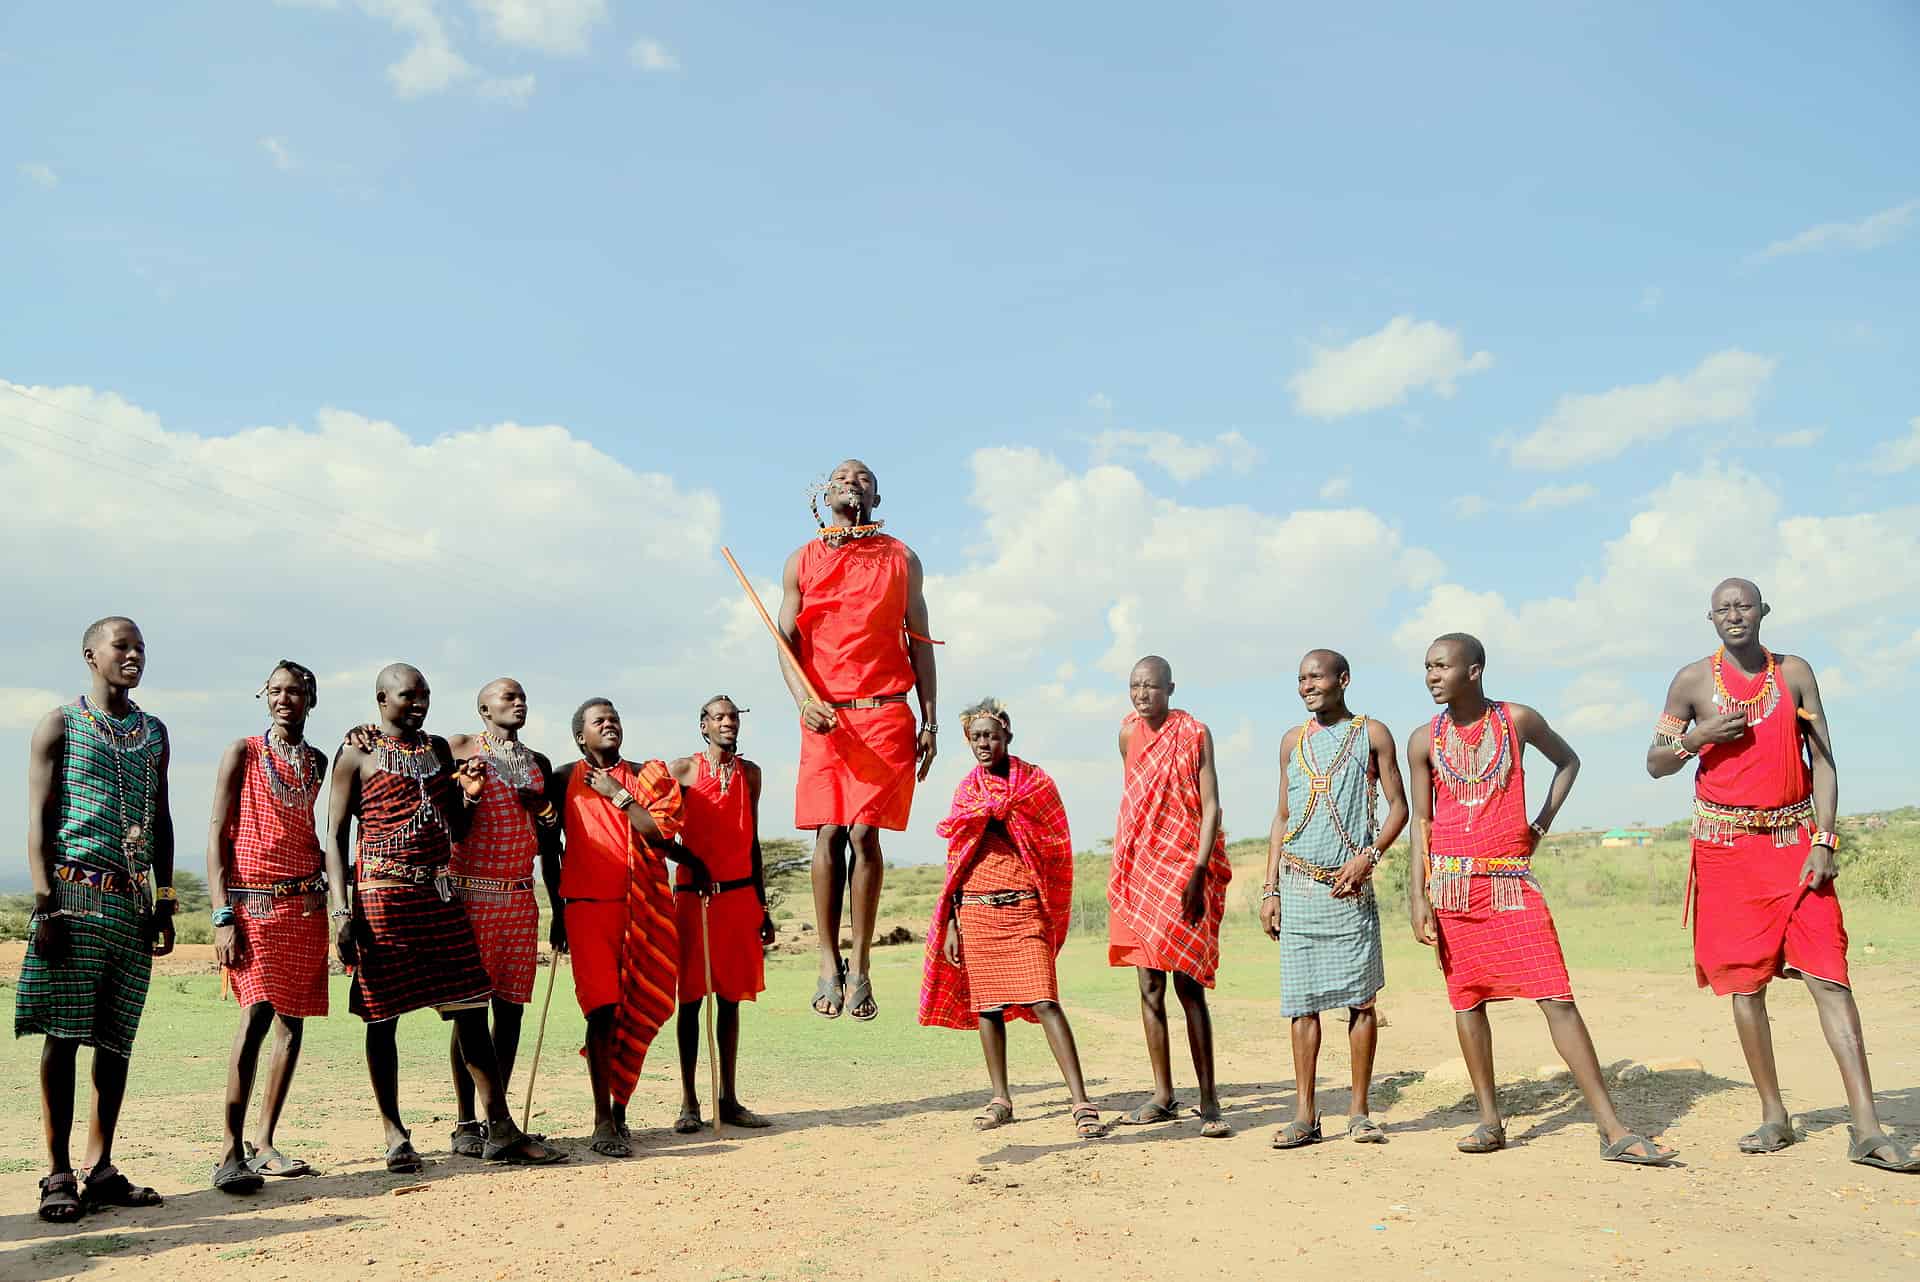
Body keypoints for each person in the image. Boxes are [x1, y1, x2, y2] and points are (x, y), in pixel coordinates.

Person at [1647, 578, 1917, 1172]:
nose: (1734, 615)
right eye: (1723, 609)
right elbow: (1656, 763)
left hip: (1796, 845)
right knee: (1746, 985)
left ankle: (1867, 1127)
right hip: (1725, 851)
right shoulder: (1691, 682)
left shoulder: (1794, 672)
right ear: (1710, 618)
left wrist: (1824, 839)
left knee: (1830, 976)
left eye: (1744, 605)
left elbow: (1823, 759)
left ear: (1763, 611)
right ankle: (1774, 1114)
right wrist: (1697, 738)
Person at [1407, 634, 1673, 1165]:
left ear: (1475, 670)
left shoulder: (1518, 720)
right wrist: (1418, 894)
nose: (1432, 676)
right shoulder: (1423, 740)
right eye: (1427, 667)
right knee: (1468, 1001)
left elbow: (1568, 761)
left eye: (1442, 666)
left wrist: (1540, 826)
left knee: (1556, 996)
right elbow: (1423, 821)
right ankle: (1489, 1120)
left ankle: (1611, 1127)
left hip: (1510, 884)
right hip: (1453, 888)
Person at [324, 664, 563, 1171]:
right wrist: (340, 911)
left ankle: (498, 1127)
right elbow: (336, 834)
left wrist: (470, 794)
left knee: (471, 1006)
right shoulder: (356, 752)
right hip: (380, 896)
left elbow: (456, 825)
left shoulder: (436, 750)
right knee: (381, 1015)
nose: (418, 703)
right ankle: (394, 1133)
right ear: (381, 699)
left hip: (438, 891)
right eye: (407, 695)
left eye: (425, 695)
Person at [17, 617, 176, 1224]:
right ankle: (57, 1172)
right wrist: (44, 902)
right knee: (63, 1034)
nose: (134, 655)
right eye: (122, 646)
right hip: (72, 898)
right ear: (91, 654)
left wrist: (162, 901)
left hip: (133, 906)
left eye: (141, 646)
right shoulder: (59, 723)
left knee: (115, 1042)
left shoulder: (154, 732)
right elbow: (38, 819)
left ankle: (100, 1167)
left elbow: (160, 821)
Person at [775, 458, 938, 1022]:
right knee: (829, 834)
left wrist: (931, 720)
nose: (853, 481)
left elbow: (919, 641)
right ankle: (827, 961)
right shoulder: (802, 559)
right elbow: (784, 642)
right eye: (843, 475)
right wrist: (804, 701)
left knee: (864, 834)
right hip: (825, 718)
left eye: (865, 477)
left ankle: (861, 964)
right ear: (825, 492)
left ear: (875, 494)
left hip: (886, 713)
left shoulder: (901, 557)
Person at [920, 699, 1102, 1139]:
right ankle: (1001, 1098)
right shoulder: (967, 792)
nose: (985, 743)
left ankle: (1081, 1101)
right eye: (977, 737)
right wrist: (951, 923)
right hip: (976, 911)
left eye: (992, 735)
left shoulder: (1036, 784)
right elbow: (955, 863)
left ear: (1008, 738)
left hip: (1023, 907)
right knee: (988, 1007)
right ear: (969, 740)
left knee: (1045, 999)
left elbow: (1054, 845)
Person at [1260, 650, 1408, 1149]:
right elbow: (1281, 817)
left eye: (1316, 677)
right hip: (1298, 886)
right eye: (1300, 678)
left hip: (1351, 888)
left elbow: (1399, 809)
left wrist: (1369, 857)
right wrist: (1270, 889)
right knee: (1302, 1007)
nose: (1307, 685)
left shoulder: (1373, 734)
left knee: (1361, 1002)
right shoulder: (1291, 741)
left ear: (1343, 680)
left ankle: (1359, 1112)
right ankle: (1305, 1114)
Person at [205, 660, 331, 1194]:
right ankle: (229, 1151)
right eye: (276, 691)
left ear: (311, 699)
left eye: (295, 691)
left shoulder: (319, 761)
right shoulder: (244, 752)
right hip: (251, 907)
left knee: (291, 1022)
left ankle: (265, 1143)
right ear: (265, 697)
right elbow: (216, 835)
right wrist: (220, 915)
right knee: (255, 1015)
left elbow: (310, 831)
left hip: (304, 905)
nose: (285, 699)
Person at [547, 697, 689, 1157]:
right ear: (579, 736)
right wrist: (555, 907)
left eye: (614, 719)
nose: (609, 725)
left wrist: (618, 795)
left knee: (634, 1009)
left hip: (643, 907)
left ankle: (622, 1110)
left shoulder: (648, 775)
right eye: (598, 721)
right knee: (602, 1011)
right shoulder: (564, 777)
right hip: (587, 908)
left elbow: (660, 835)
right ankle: (603, 1119)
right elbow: (548, 844)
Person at [1108, 655, 1233, 1138]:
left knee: (1189, 988)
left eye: (1151, 687)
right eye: (1135, 686)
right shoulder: (1126, 734)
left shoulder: (1195, 733)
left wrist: (1199, 870)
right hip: (1141, 873)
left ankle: (1209, 1100)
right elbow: (1137, 801)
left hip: (1184, 868)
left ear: (1171, 688)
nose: (1142, 695)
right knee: (1149, 988)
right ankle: (1163, 1094)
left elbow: (1210, 805)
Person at [442, 678, 560, 1158]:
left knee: (510, 1011)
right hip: (469, 895)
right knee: (469, 1012)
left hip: (519, 897)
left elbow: (552, 843)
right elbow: (444, 812)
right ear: (483, 707)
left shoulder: (539, 765)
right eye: (508, 697)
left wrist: (560, 907)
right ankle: (466, 1122)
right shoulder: (457, 748)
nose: (519, 702)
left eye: (523, 697)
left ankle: (499, 1119)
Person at [667, 696, 775, 1134]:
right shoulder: (682, 771)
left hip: (739, 898)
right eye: (719, 717)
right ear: (703, 726)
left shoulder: (751, 774)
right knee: (691, 1000)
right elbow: (660, 832)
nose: (728, 723)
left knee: (730, 999)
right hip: (693, 898)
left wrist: (762, 904)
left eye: (733, 717)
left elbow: (752, 842)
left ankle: (728, 1098)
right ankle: (690, 1101)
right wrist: (692, 864)